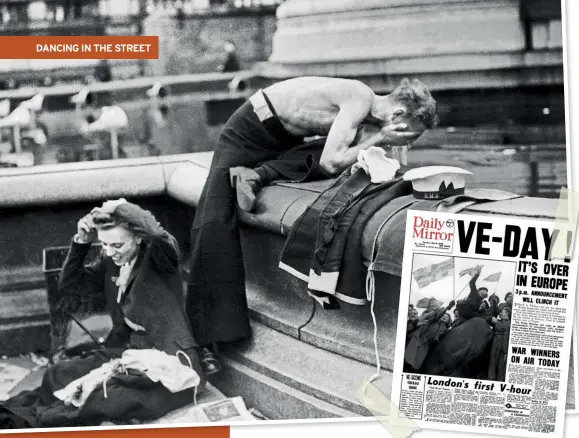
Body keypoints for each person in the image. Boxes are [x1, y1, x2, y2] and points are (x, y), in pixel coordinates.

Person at [186, 76, 438, 372]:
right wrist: (380, 139)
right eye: (409, 136)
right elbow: (332, 162)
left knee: (347, 158)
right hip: (248, 131)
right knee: (214, 219)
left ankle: (255, 175)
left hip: (281, 140)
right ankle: (202, 340)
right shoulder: (358, 97)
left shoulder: (363, 119)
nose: (407, 143)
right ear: (397, 117)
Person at [0, 200, 205, 428]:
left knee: (104, 397)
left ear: (138, 237)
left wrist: (119, 208)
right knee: (58, 374)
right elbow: (71, 286)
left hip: (169, 362)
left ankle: (34, 421)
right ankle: (14, 409)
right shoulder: (111, 262)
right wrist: (81, 243)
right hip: (128, 351)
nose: (109, 252)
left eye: (117, 245)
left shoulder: (160, 259)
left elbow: (157, 233)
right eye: (105, 245)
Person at [404, 300, 454, 373]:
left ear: (449, 321)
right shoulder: (434, 321)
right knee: (407, 360)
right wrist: (447, 308)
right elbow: (437, 314)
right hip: (418, 340)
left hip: (427, 346)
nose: (444, 317)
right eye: (443, 315)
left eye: (446, 317)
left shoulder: (446, 330)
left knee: (414, 366)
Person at [487, 307, 512, 381]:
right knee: (492, 364)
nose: (500, 313)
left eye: (502, 312)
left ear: (507, 313)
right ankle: (490, 381)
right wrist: (491, 318)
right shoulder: (497, 322)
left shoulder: (511, 323)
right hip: (496, 345)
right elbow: (485, 318)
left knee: (502, 366)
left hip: (506, 347)